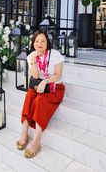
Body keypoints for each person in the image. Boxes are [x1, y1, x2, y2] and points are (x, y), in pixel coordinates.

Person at [16, 30, 65, 158]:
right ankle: (24, 132)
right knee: (29, 96)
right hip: (38, 85)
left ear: (47, 43)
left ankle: (37, 140)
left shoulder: (55, 54)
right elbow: (36, 75)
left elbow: (58, 75)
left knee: (39, 101)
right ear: (33, 43)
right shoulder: (31, 56)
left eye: (43, 41)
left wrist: (46, 81)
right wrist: (33, 61)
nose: (40, 43)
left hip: (54, 87)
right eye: (37, 41)